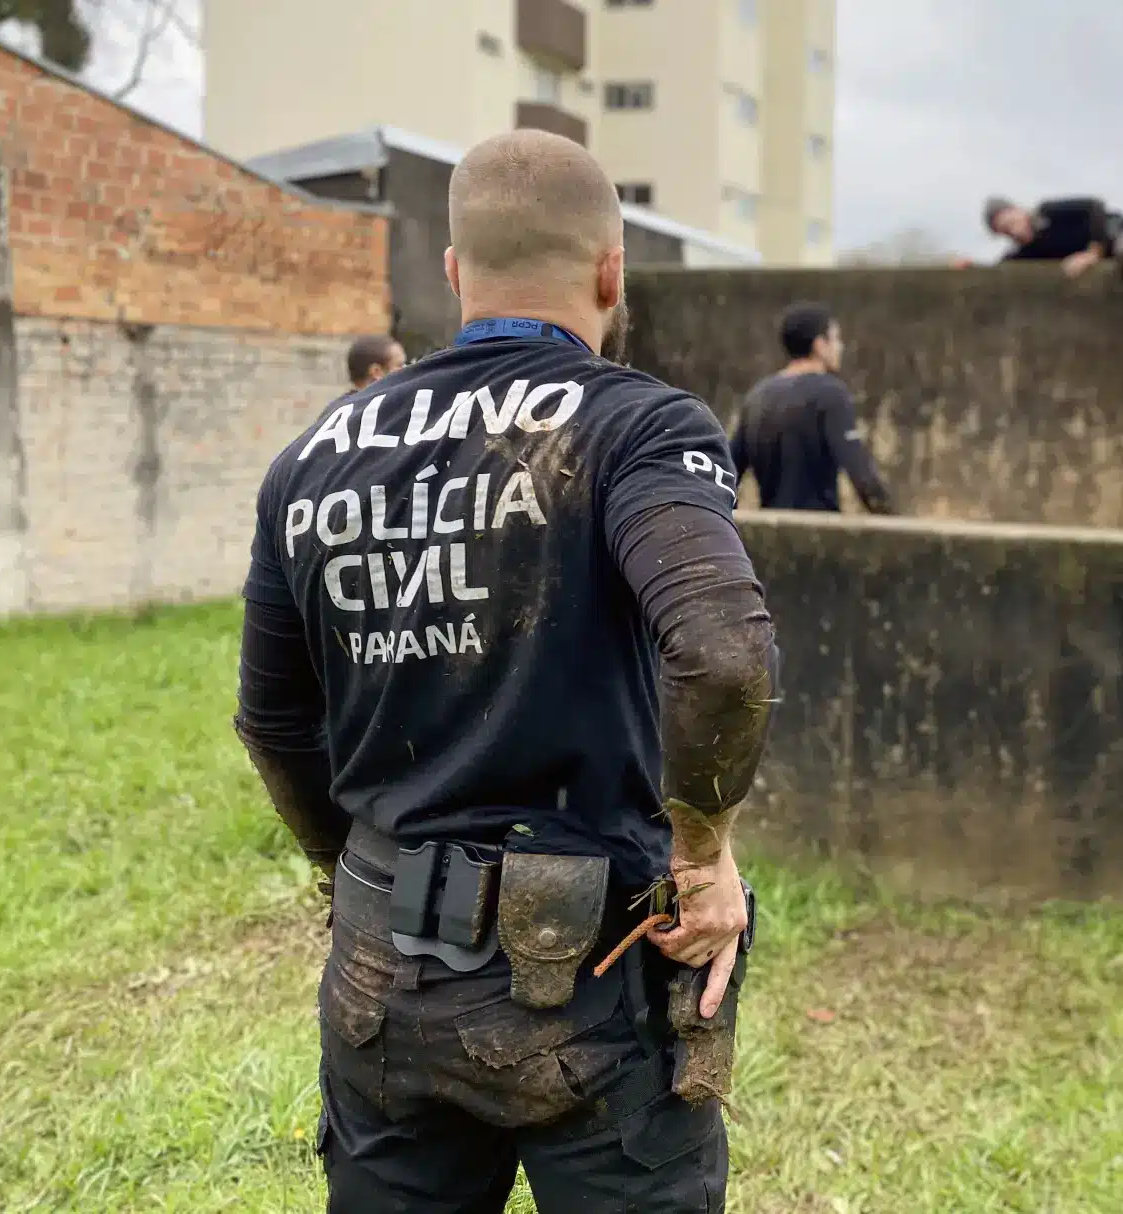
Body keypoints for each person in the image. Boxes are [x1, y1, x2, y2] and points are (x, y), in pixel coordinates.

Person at [232, 129, 777, 1212]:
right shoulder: (638, 427)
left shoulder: (313, 455)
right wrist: (706, 854)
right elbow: (720, 649)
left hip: (382, 971)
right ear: (612, 268)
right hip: (596, 978)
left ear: (453, 270)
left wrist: (350, 872)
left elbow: (273, 721)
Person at [962, 195, 1123, 350]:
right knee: (1119, 267)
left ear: (1019, 211)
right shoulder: (1031, 249)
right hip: (1117, 258)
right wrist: (971, 270)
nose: (1015, 232)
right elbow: (1003, 270)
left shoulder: (1048, 212)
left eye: (1012, 222)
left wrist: (1093, 252)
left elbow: (1095, 206)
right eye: (1007, 232)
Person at [729, 302, 897, 514]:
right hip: (818, 534)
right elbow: (862, 477)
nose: (840, 347)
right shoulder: (830, 393)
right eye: (836, 339)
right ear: (819, 345)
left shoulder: (757, 395)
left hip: (768, 534)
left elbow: (727, 473)